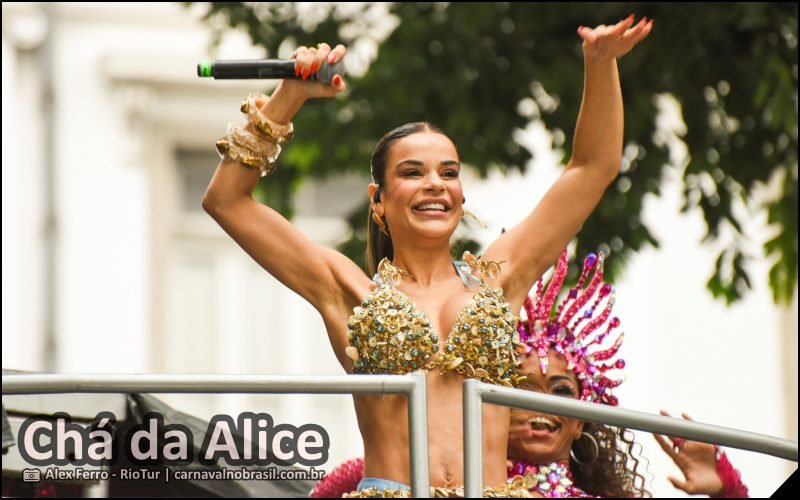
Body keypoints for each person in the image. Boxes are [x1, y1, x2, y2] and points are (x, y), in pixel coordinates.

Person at [203, 14, 653, 497]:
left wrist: (600, 64)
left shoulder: (500, 280)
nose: (435, 183)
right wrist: (289, 94)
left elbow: (592, 168)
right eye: (413, 172)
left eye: (449, 172)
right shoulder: (348, 289)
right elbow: (227, 200)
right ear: (379, 199)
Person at [310, 251, 749, 498]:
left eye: (560, 391)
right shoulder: (399, 476)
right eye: (521, 388)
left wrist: (725, 492)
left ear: (581, 421)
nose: (542, 407)